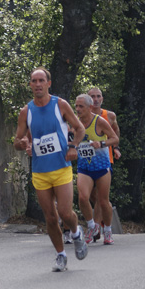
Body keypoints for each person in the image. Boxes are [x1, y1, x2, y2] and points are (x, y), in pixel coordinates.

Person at [14, 67, 88, 272]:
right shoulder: (25, 112)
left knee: (65, 212)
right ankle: (61, 255)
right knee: (50, 217)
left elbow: (80, 128)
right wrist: (23, 144)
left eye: (41, 80)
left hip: (61, 168)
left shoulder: (60, 105)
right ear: (30, 85)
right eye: (33, 81)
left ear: (48, 83)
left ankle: (76, 232)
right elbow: (17, 141)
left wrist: (73, 147)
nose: (37, 84)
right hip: (40, 172)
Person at [74, 93, 119, 245]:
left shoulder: (99, 121)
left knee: (103, 201)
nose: (78, 109)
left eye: (81, 106)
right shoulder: (76, 123)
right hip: (84, 167)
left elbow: (115, 138)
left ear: (89, 107)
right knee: (82, 197)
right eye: (76, 106)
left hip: (101, 166)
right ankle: (92, 226)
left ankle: (107, 230)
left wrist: (101, 144)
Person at [88, 87, 121, 241]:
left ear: (102, 99)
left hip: (104, 160)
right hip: (86, 161)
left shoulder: (110, 116)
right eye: (92, 96)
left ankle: (96, 226)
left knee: (100, 196)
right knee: (92, 195)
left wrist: (115, 148)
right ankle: (101, 217)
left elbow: (115, 131)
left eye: (98, 96)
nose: (95, 99)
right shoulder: (81, 116)